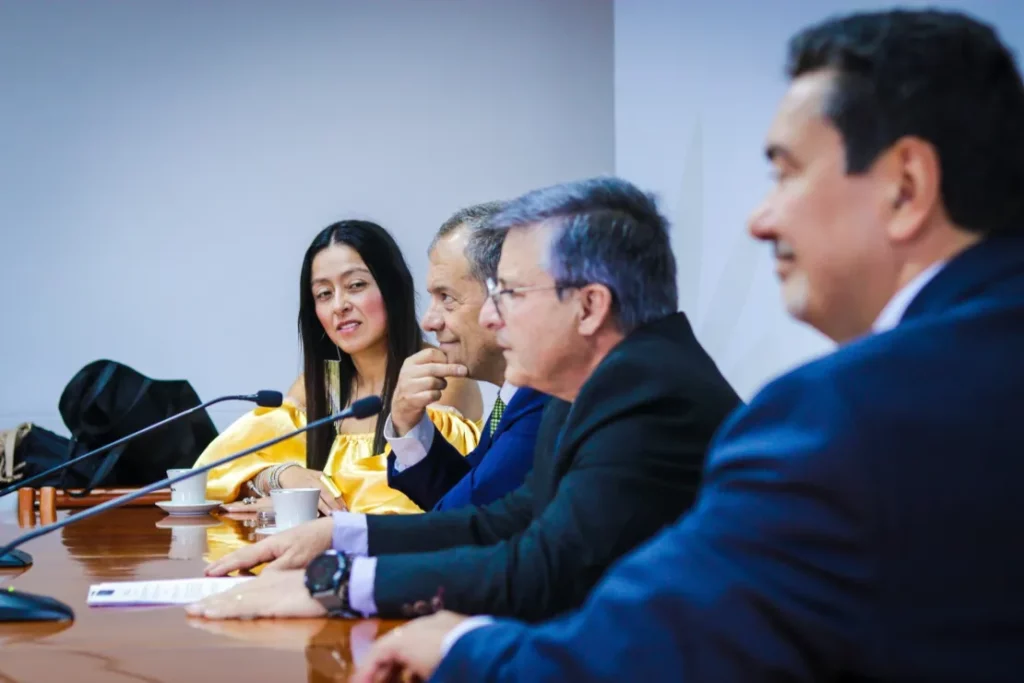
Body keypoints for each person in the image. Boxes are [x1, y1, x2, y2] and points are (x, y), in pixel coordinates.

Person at [350, 9, 1024, 682]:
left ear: (905, 185)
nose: (762, 220)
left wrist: (459, 646)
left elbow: (633, 649)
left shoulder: (841, 412)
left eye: (786, 173)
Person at [185, 177, 741, 622]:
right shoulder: (602, 386)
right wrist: (339, 534)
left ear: (590, 306)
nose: (494, 319)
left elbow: (543, 568)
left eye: (512, 295)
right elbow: (504, 521)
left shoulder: (647, 398)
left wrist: (338, 586)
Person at [191, 220, 482, 516]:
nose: (339, 305)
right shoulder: (320, 385)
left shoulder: (437, 372)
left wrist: (296, 502)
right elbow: (218, 469)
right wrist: (281, 476)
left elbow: (407, 494)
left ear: (392, 287)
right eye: (324, 294)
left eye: (356, 286)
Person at [384, 201, 550, 511]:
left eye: (446, 298)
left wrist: (342, 537)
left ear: (506, 294)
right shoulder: (511, 397)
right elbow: (465, 490)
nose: (429, 322)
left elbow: (463, 520)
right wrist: (408, 424)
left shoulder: (546, 397)